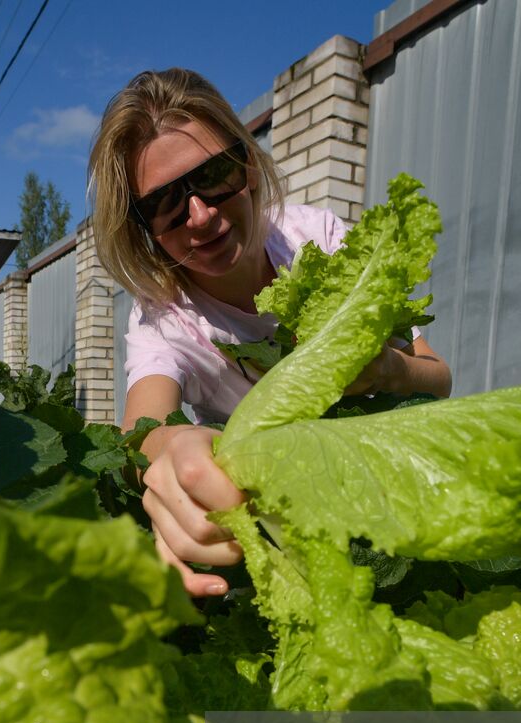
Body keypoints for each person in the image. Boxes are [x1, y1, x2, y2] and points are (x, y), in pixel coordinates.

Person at [88, 68, 452, 598]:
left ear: (250, 168)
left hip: (387, 496)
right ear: (143, 231)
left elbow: (439, 379)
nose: (200, 215)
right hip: (278, 529)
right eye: (163, 205)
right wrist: (173, 446)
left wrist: (390, 370)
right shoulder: (164, 317)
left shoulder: (318, 239)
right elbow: (140, 432)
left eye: (214, 175)